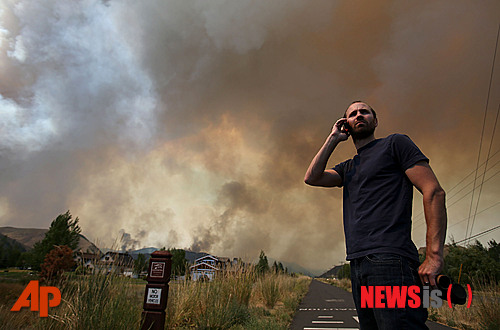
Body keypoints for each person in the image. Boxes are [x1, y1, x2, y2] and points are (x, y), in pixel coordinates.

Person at [304, 101, 447, 329]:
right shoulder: (348, 167)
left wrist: (434, 256)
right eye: (352, 114)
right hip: (359, 264)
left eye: (365, 112)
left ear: (375, 120)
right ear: (346, 125)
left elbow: (434, 191)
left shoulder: (395, 144)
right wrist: (333, 138)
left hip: (391, 260)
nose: (359, 115)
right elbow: (312, 177)